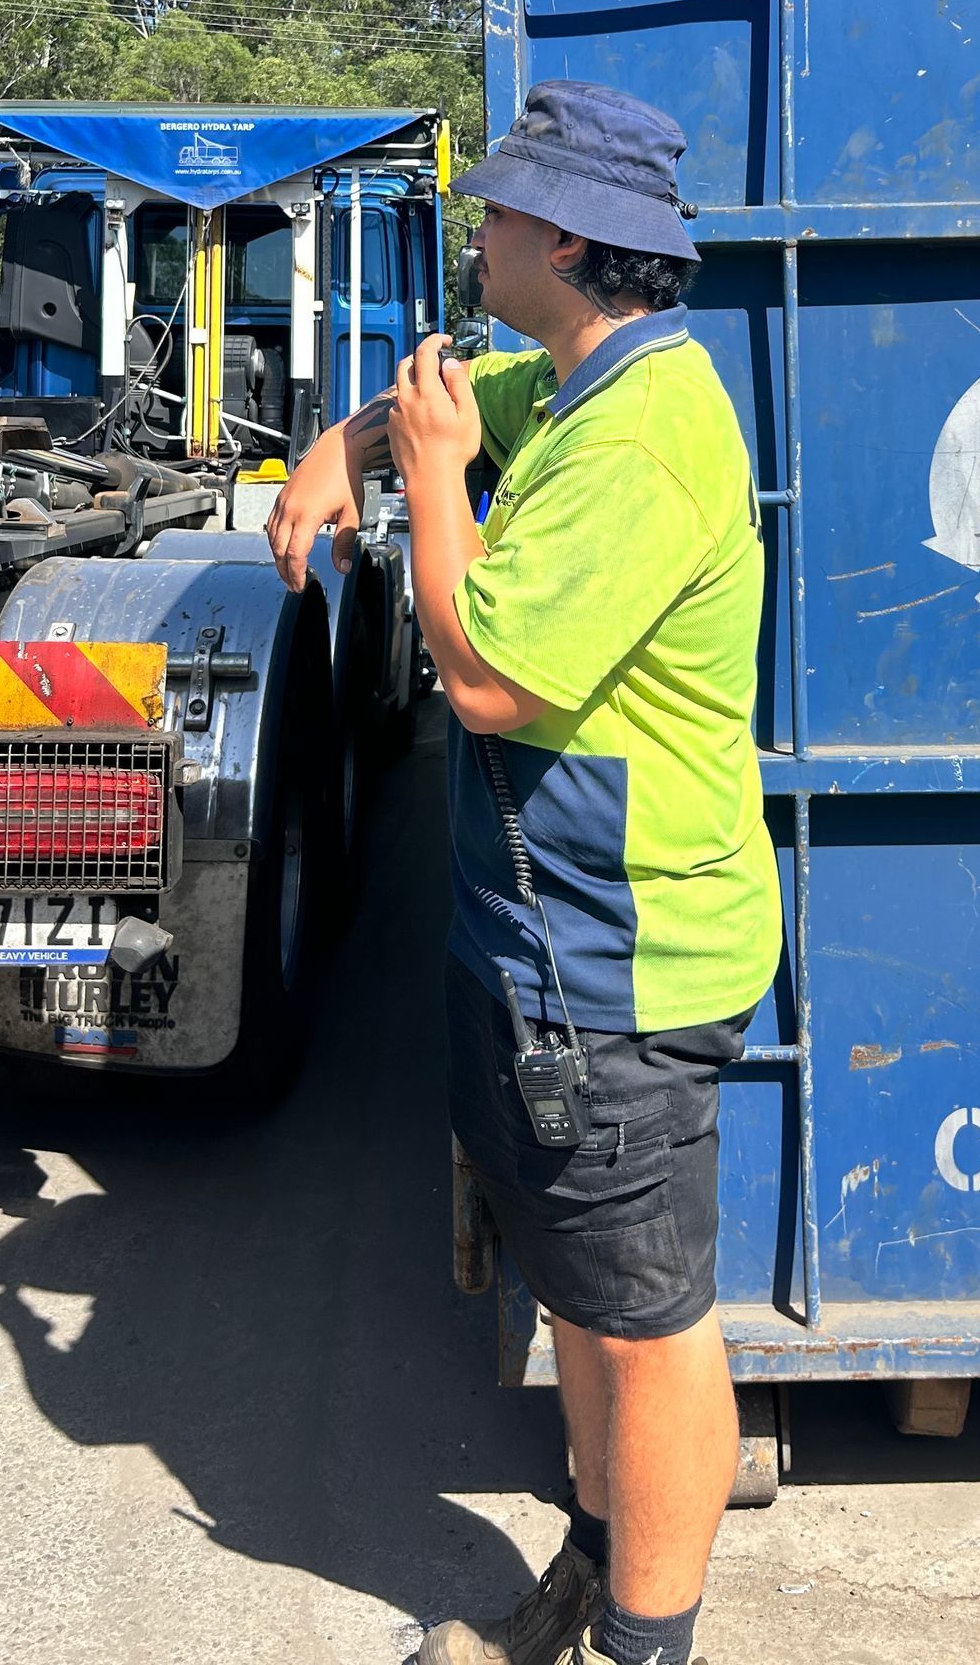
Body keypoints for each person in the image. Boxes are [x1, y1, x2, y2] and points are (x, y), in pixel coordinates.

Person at [267, 80, 779, 1665]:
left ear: (567, 239)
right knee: (578, 1304)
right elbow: (446, 404)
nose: (474, 232)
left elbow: (486, 676)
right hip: (542, 957)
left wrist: (420, 481)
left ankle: (648, 1645)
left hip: (626, 969)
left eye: (497, 213)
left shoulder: (642, 434)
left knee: (650, 1325)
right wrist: (333, 448)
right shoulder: (567, 380)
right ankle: (591, 1581)